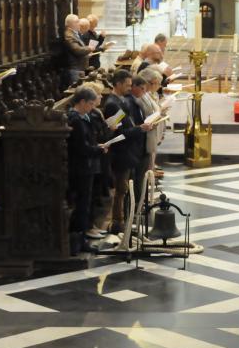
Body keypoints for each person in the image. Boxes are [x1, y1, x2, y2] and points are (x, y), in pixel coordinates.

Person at [103, 70, 153, 234]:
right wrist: (140, 129)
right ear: (117, 84)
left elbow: (126, 125)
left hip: (128, 151)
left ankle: (125, 219)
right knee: (121, 190)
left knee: (125, 188)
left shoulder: (121, 100)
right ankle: (118, 222)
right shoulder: (112, 104)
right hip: (121, 153)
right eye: (127, 85)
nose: (130, 88)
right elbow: (117, 133)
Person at [67, 86, 107, 254]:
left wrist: (96, 146)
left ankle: (81, 238)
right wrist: (98, 149)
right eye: (91, 103)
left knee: (85, 204)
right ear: (82, 102)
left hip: (87, 166)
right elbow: (80, 148)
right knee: (82, 205)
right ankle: (78, 240)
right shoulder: (75, 119)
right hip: (81, 168)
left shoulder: (84, 117)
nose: (93, 107)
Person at [138, 68, 166, 179]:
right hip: (144, 132)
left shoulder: (147, 95)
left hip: (151, 129)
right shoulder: (140, 97)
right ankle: (149, 172)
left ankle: (150, 171)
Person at [63, 14, 91, 89]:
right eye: (77, 21)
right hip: (75, 69)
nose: (79, 23)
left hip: (80, 68)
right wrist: (89, 48)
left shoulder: (75, 33)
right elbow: (77, 50)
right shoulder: (69, 35)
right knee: (77, 91)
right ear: (71, 24)